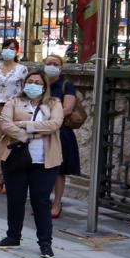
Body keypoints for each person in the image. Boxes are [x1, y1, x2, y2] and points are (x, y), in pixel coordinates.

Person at [0, 71, 63, 258]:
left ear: (44, 86)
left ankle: (45, 243)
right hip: (16, 157)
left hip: (44, 161)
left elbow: (55, 124)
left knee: (40, 202)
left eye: (37, 82)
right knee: (15, 199)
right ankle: (13, 236)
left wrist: (25, 125)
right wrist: (27, 135)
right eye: (30, 81)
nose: (33, 84)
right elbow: (5, 124)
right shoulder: (13, 102)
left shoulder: (54, 104)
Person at [0, 37, 27, 193]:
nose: (9, 50)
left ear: (16, 51)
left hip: (12, 110)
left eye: (12, 48)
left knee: (11, 144)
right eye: (6, 47)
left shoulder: (22, 69)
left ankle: (10, 179)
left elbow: (24, 91)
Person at [43, 54, 80, 218]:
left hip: (59, 131)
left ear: (60, 67)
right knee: (41, 167)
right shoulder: (39, 83)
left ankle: (56, 203)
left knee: (58, 170)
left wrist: (48, 117)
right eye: (49, 63)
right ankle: (43, 201)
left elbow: (68, 109)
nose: (52, 66)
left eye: (55, 64)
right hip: (40, 131)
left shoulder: (66, 85)